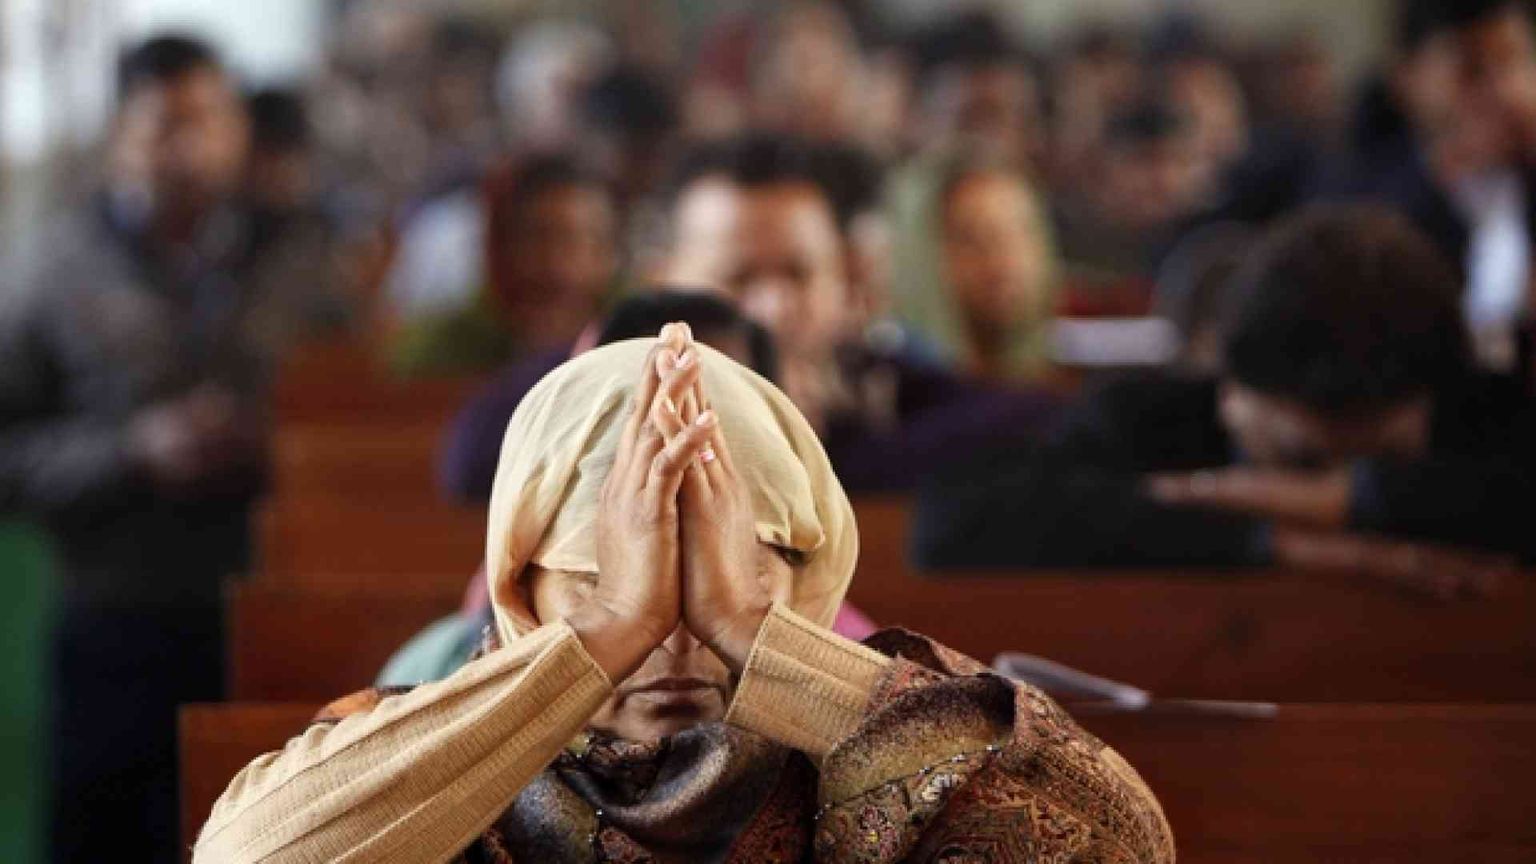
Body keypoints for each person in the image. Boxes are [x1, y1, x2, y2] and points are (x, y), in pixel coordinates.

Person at [194, 327, 1174, 862]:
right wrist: (588, 646)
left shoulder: (891, 745)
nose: (669, 644)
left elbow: (1121, 845)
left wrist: (759, 632)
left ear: (816, 568)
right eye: (602, 578)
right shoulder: (430, 755)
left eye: (710, 578)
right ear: (515, 580)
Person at [0, 35, 294, 862]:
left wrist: (271, 445)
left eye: (209, 120)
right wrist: (133, 451)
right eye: (166, 124)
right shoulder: (53, 264)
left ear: (239, 130)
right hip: (114, 618)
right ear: (120, 136)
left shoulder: (301, 255)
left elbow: (355, 420)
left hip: (273, 610)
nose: (191, 147)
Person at [915, 207, 1535, 592]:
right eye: (1304, 461)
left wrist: (1331, 499)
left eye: (1387, 461)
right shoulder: (1147, 419)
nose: (1337, 485)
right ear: (1233, 391)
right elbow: (948, 524)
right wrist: (1273, 542)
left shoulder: (1480, 411)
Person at [664, 134, 1061, 492]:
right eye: (739, 278)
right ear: (663, 281)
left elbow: (1026, 418)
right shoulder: (620, 420)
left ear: (848, 284)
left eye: (799, 275)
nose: (773, 310)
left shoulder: (889, 390)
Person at [1321, 0, 1536, 370]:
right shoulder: (1361, 210)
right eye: (1472, 70)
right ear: (1406, 79)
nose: (1504, 89)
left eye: (1516, 61)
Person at [389, 153, 620, 375]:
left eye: (574, 242)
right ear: (499, 249)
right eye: (535, 239)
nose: (555, 265)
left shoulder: (639, 344)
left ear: (609, 254)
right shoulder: (438, 353)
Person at [896, 154, 1060, 382]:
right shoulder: (903, 395)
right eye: (973, 238)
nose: (1004, 259)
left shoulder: (1075, 388)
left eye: (1021, 232)